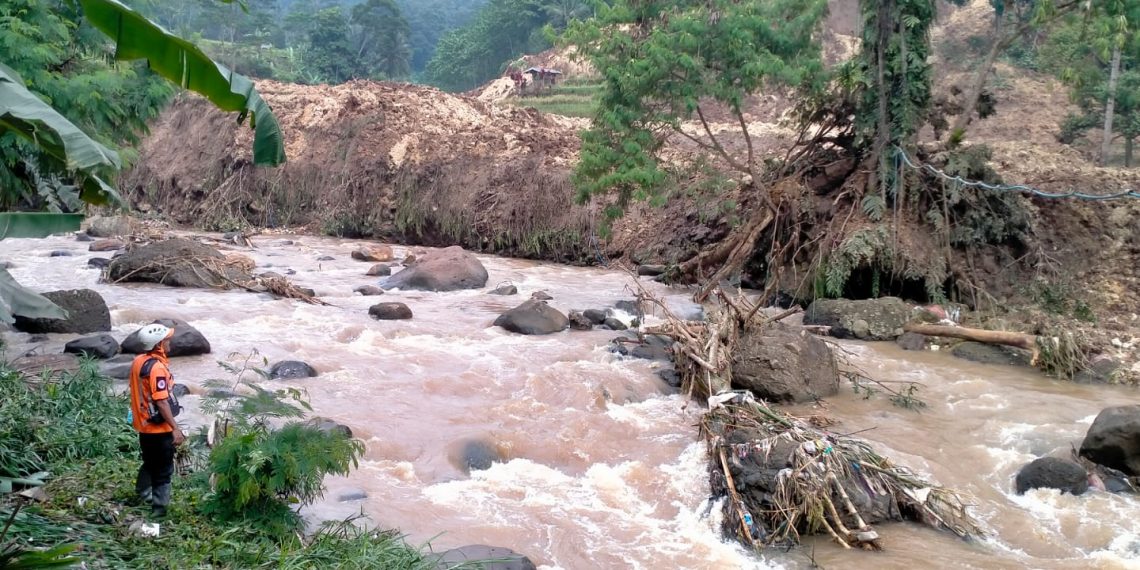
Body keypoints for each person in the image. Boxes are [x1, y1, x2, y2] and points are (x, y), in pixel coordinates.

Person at [128, 324, 185, 516]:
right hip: (158, 429)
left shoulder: (138, 361)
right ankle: (159, 510)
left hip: (143, 426)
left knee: (150, 462)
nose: (169, 343)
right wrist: (175, 428)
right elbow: (161, 401)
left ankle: (142, 493)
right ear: (158, 344)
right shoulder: (157, 368)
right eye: (166, 340)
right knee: (163, 470)